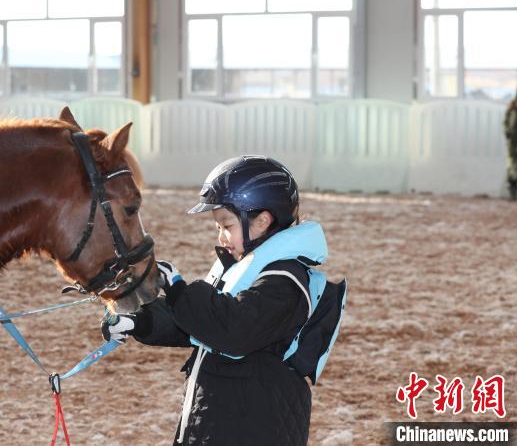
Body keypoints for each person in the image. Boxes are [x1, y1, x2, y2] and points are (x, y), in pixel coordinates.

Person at [102, 156, 346, 446]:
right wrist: (138, 320)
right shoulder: (243, 267)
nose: (221, 238)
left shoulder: (285, 281)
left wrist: (179, 289)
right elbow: (197, 325)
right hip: (220, 421)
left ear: (262, 221)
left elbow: (231, 329)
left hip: (253, 428)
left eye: (226, 225)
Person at [504, 82, 517, 200]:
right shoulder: (513, 106)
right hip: (515, 143)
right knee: (513, 168)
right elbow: (506, 122)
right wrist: (508, 133)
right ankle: (513, 194)